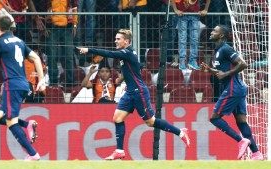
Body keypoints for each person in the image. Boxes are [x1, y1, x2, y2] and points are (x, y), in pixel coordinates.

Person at [78, 29, 190, 160]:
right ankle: (119, 150)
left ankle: (181, 132)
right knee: (117, 118)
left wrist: (89, 50)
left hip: (138, 92)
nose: (115, 41)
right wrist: (128, 81)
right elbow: (137, 68)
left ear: (126, 41)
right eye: (115, 38)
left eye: (118, 39)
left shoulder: (126, 52)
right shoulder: (128, 54)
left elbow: (109, 53)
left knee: (150, 122)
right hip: (130, 91)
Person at [0, 15, 46, 161]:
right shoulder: (19, 41)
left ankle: (33, 154)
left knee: (11, 121)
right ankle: (27, 124)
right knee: (0, 116)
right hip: (24, 84)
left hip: (12, 85)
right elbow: (36, 58)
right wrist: (41, 79)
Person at [200, 25, 263, 160]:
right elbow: (222, 71)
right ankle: (256, 153)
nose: (211, 32)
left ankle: (240, 140)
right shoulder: (217, 50)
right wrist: (210, 70)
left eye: (215, 31)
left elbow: (243, 64)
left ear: (221, 35)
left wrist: (226, 74)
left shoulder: (226, 49)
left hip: (233, 88)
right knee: (241, 122)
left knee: (215, 118)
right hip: (237, 88)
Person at [45, 0, 78, 87]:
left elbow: (74, 8)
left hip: (67, 27)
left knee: (69, 55)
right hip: (51, 27)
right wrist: (44, 26)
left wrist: (74, 24)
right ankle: (53, 82)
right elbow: (43, 7)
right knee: (52, 56)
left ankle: (70, 83)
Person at [171, 0, 211, 70]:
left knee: (194, 39)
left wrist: (205, 9)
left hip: (195, 15)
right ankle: (182, 61)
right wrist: (176, 10)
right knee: (182, 39)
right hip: (182, 15)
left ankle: (193, 61)